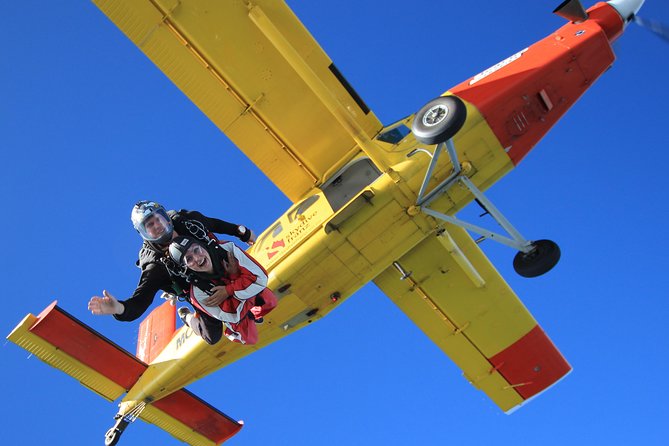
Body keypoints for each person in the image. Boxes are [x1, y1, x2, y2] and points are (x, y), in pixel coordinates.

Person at [88, 201, 256, 326]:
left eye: (158, 218)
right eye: (150, 225)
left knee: (246, 277)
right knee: (213, 333)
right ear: (144, 234)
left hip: (219, 265)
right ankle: (188, 318)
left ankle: (253, 305)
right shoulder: (155, 264)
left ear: (166, 216)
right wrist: (118, 309)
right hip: (196, 287)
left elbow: (215, 224)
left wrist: (243, 233)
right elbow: (141, 299)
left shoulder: (189, 222)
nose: (157, 226)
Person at [168, 235, 277, 345]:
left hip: (235, 296)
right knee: (216, 337)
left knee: (270, 300)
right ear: (186, 267)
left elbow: (260, 278)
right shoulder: (198, 293)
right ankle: (187, 317)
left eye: (196, 250)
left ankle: (252, 314)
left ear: (203, 246)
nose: (197, 258)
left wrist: (230, 287)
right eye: (189, 259)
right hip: (223, 308)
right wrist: (237, 280)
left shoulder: (226, 249)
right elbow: (233, 316)